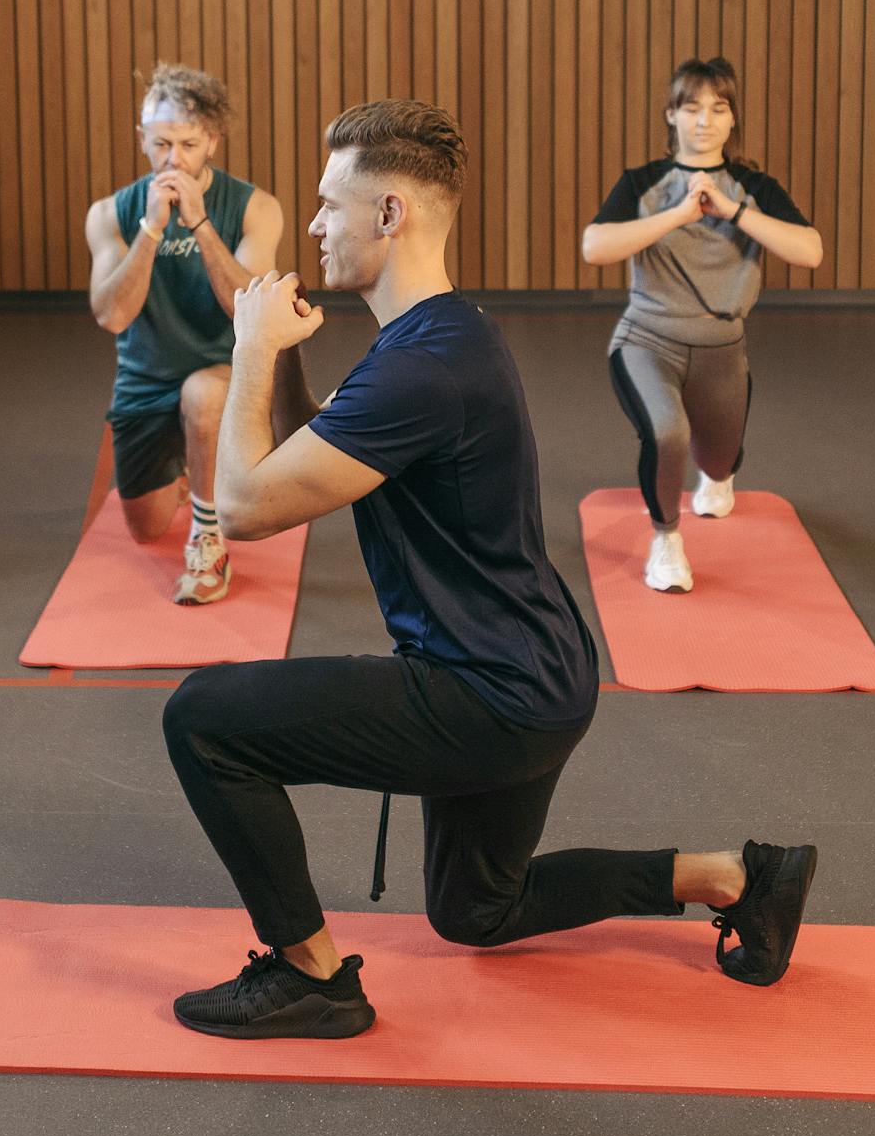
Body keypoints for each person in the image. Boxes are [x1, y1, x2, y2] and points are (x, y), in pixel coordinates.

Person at [160, 100, 818, 1040]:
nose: (313, 226)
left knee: (204, 721)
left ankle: (310, 975)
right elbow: (319, 450)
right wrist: (290, 367)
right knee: (475, 910)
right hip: (544, 673)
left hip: (486, 690)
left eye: (328, 205)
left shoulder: (421, 369)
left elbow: (249, 507)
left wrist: (251, 349)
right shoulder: (440, 337)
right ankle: (733, 877)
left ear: (391, 215)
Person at [579, 59, 822, 592]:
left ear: (733, 121)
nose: (704, 121)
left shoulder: (755, 187)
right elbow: (595, 247)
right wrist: (681, 214)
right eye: (691, 108)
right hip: (647, 340)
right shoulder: (642, 183)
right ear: (672, 115)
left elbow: (810, 251)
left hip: (722, 353)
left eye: (718, 109)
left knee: (719, 456)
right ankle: (666, 543)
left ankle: (719, 475)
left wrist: (731, 212)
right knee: (667, 433)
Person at [83, 66, 310, 604]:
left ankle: (208, 540)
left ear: (211, 140)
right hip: (145, 381)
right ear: (142, 141)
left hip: (223, 376)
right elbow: (113, 316)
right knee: (145, 529)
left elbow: (245, 308)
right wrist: (153, 228)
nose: (174, 159)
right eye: (161, 144)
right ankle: (193, 462)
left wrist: (202, 225)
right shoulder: (109, 215)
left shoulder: (255, 207)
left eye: (187, 144)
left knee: (203, 395)